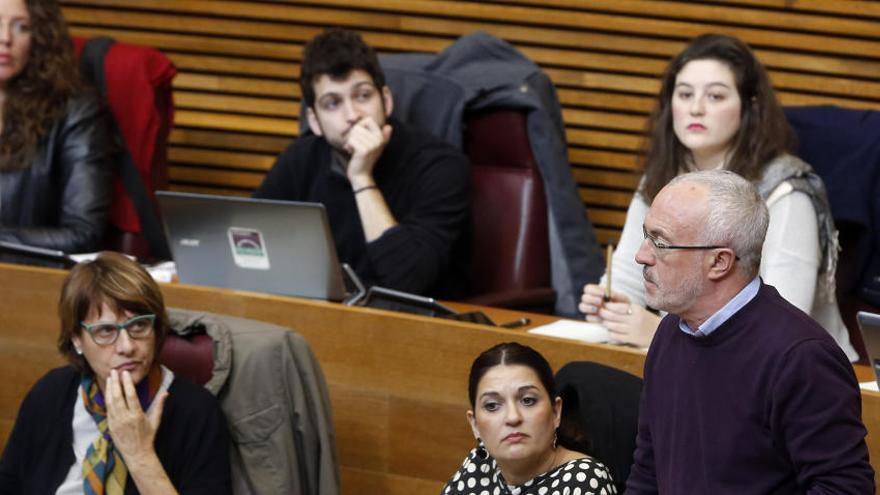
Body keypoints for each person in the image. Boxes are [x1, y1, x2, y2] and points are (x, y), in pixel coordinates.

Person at [579, 33, 857, 360]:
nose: (696, 108)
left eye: (715, 96)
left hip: (793, 370)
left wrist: (658, 333)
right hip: (696, 360)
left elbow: (783, 320)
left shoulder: (786, 190)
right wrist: (615, 306)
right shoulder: (662, 175)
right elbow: (629, 275)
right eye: (684, 94)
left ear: (749, 106)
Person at [625, 170, 873, 493]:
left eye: (661, 243)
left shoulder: (801, 357)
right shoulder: (671, 330)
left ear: (719, 262)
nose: (642, 255)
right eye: (646, 236)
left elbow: (844, 488)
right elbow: (648, 472)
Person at [254, 28, 470, 298]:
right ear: (314, 121)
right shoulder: (301, 158)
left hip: (411, 323)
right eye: (332, 104)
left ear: (386, 101)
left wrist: (362, 178)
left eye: (363, 95)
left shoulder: (441, 166)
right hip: (322, 312)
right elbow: (253, 243)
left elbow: (408, 281)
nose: (352, 115)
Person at [0, 252, 232, 493]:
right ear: (77, 339)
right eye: (105, 331)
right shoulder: (51, 392)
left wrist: (140, 455)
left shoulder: (196, 412)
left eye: (139, 325)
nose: (127, 346)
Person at [0, 0, 113, 253]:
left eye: (22, 27)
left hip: (27, 279)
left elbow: (83, 232)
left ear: (40, 37)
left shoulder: (77, 110)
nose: (5, 38)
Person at [442, 342, 617, 495]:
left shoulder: (583, 479)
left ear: (556, 412)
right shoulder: (480, 462)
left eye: (528, 400)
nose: (512, 417)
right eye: (492, 406)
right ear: (475, 425)